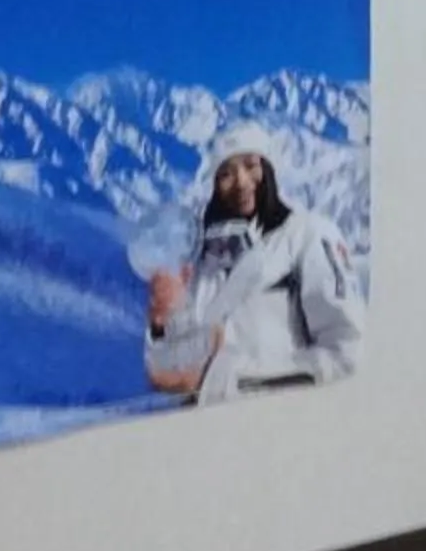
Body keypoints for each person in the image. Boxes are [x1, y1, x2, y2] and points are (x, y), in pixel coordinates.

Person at [143, 124, 362, 402]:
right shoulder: (203, 259)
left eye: (250, 165)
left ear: (269, 169)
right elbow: (174, 376)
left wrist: (236, 383)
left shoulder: (308, 236)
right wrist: (163, 325)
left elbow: (347, 354)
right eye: (226, 174)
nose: (242, 182)